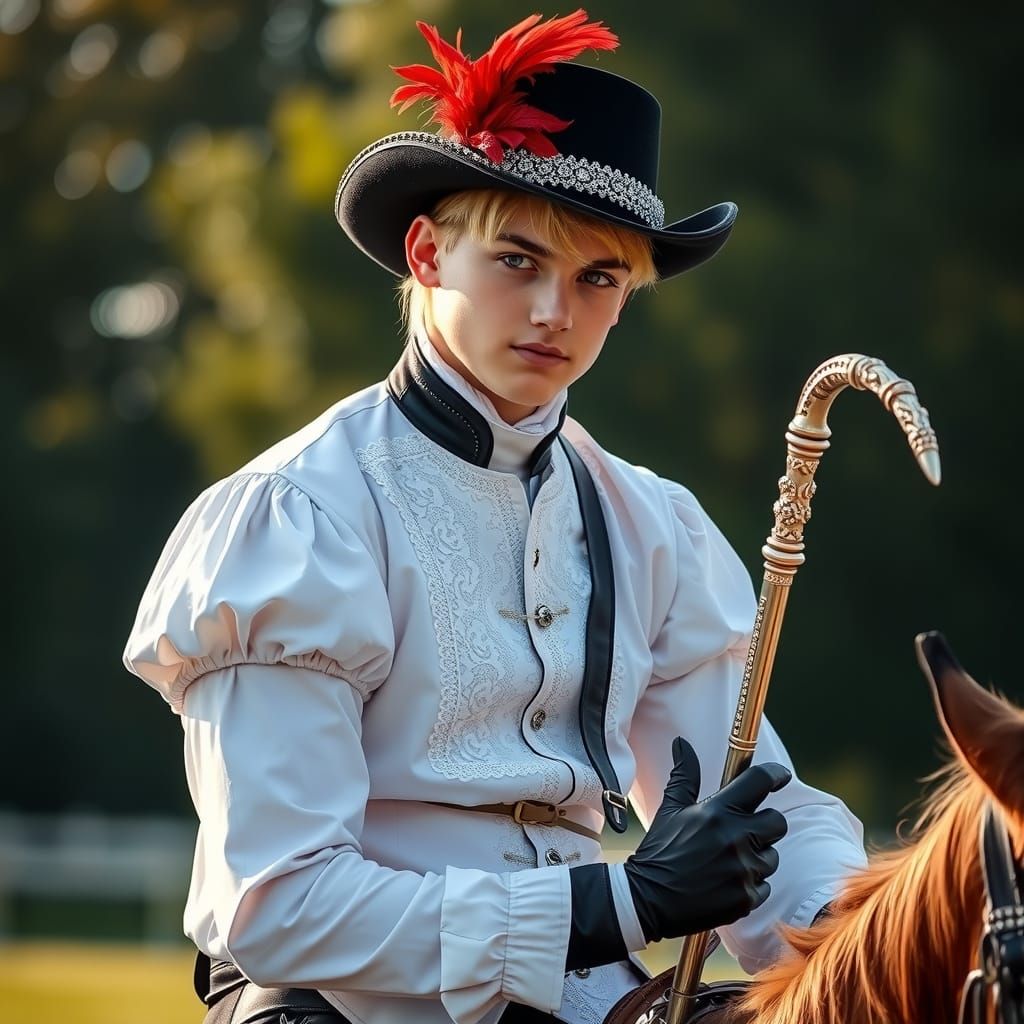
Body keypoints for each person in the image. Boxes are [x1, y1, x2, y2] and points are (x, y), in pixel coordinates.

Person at [122, 11, 867, 1024]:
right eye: (517, 261)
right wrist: (622, 899)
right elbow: (277, 902)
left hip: (592, 994)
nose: (555, 312)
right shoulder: (296, 515)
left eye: (597, 278)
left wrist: (885, 924)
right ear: (428, 254)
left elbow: (760, 807)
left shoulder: (652, 523)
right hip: (344, 1002)